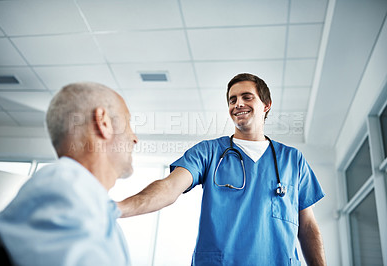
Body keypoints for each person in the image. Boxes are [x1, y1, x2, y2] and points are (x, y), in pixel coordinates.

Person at [118, 73, 327, 265]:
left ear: (266, 105)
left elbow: (307, 226)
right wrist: (119, 208)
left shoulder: (292, 160)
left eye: (247, 97)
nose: (238, 104)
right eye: (232, 100)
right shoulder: (208, 152)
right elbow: (169, 187)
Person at [0, 82, 138, 266]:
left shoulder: (89, 201)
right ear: (103, 122)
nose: (135, 138)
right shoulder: (66, 185)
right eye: (128, 123)